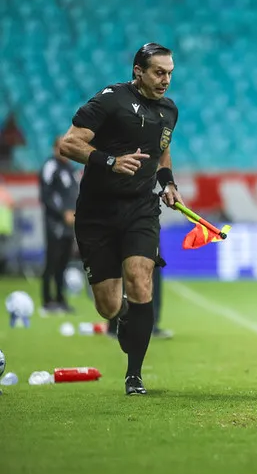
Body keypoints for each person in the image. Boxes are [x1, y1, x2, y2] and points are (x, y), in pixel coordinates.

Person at [59, 43, 183, 395]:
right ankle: (127, 312)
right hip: (97, 213)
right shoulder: (111, 100)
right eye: (159, 72)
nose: (166, 80)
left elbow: (162, 153)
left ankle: (134, 376)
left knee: (140, 277)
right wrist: (111, 161)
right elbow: (69, 144)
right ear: (138, 71)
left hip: (141, 209)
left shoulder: (169, 111)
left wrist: (168, 183)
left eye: (170, 73)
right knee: (108, 305)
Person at [39, 136, 79, 314]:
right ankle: (47, 301)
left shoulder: (70, 169)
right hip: (54, 222)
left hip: (69, 224)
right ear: (56, 148)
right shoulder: (50, 166)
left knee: (63, 262)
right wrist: (63, 213)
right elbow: (46, 196)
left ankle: (61, 300)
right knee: (52, 261)